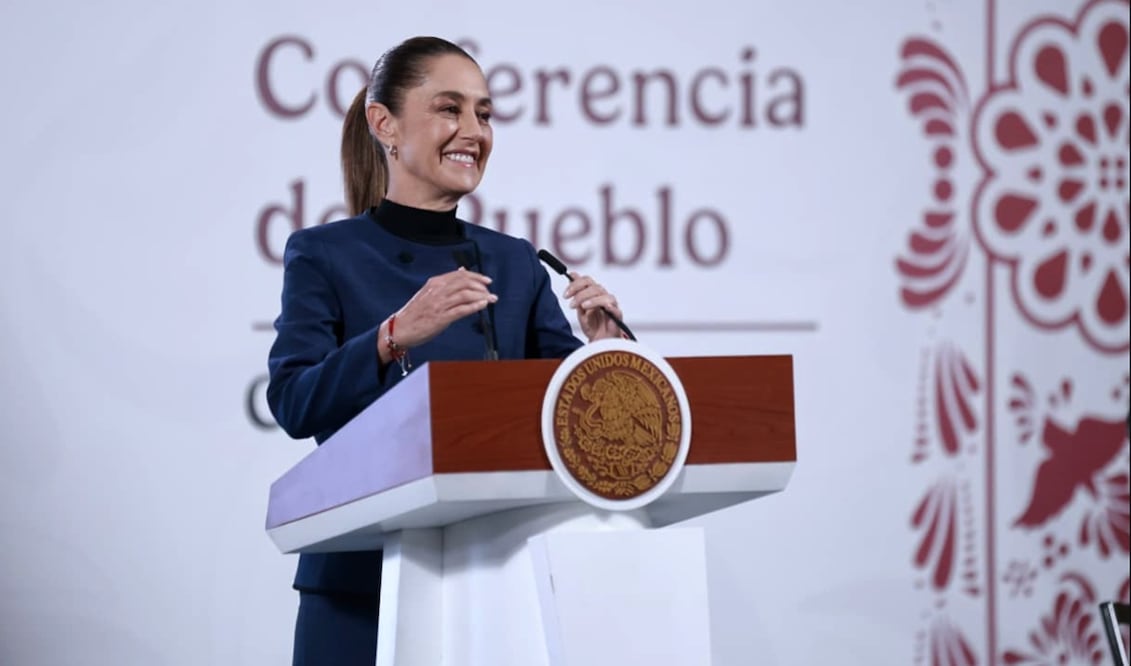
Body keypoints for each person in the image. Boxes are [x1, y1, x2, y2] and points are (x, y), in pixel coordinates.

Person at [265, 36, 627, 665]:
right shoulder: (324, 253)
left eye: (484, 113)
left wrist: (601, 358)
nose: (473, 131)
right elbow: (295, 401)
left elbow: (569, 422)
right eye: (449, 109)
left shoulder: (515, 263)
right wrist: (392, 335)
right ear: (386, 125)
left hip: (497, 581)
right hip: (360, 587)